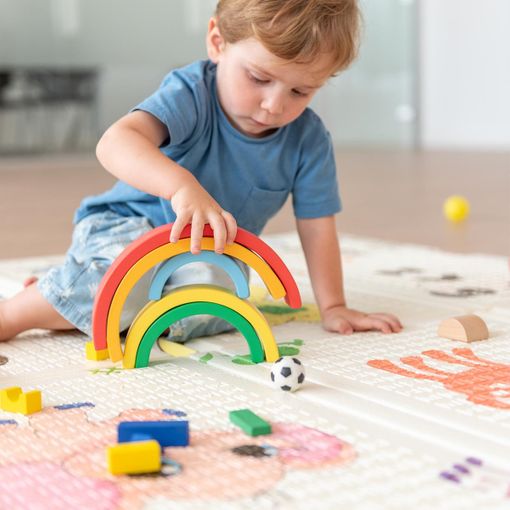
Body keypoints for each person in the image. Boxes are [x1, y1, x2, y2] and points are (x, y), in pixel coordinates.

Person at [0, 0, 402, 343]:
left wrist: (333, 306)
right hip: (127, 227)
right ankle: (21, 312)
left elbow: (317, 227)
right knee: (121, 278)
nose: (274, 106)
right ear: (217, 43)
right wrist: (180, 186)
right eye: (259, 78)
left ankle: (75, 297)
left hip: (206, 253)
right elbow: (115, 143)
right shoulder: (192, 92)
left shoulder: (309, 140)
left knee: (222, 306)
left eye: (300, 91)